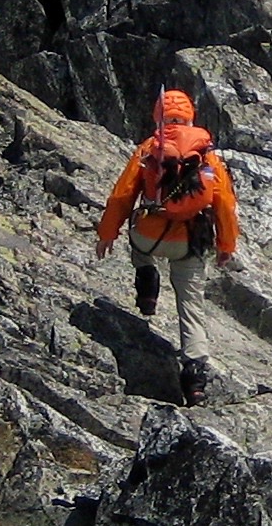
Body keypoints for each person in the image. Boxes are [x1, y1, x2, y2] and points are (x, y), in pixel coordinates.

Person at [95, 88, 240, 406]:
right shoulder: (207, 155)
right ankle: (195, 378)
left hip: (148, 234)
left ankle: (146, 282)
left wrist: (107, 233)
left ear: (158, 115)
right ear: (191, 116)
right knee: (191, 306)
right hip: (189, 242)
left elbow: (122, 196)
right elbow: (225, 204)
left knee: (138, 241)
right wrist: (225, 244)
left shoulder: (149, 148)